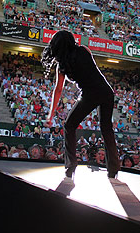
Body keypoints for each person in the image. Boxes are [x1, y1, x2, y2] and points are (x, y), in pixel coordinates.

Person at [42, 30, 119, 178]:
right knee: (106, 129)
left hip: (90, 94)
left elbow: (58, 90)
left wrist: (50, 115)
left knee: (69, 125)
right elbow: (92, 71)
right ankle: (113, 169)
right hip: (106, 91)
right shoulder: (84, 50)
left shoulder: (62, 65)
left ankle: (71, 165)